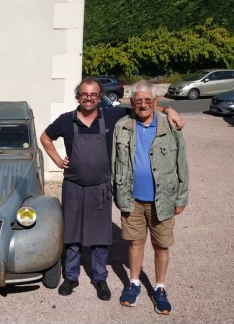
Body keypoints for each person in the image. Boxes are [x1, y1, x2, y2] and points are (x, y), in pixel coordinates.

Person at [40, 77, 184, 300]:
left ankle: (100, 278)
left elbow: (143, 107)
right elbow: (45, 138)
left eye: (94, 95)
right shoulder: (66, 120)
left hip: (101, 188)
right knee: (72, 235)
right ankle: (71, 276)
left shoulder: (112, 115)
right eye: (85, 94)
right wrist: (58, 161)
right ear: (78, 96)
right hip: (73, 187)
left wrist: (169, 109)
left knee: (100, 236)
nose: (89, 98)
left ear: (100, 98)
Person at [111, 80, 189, 314]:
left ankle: (160, 288)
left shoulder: (170, 125)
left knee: (161, 245)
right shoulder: (122, 126)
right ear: (132, 102)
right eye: (138, 101)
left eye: (148, 100)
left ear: (155, 101)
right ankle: (134, 284)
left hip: (163, 199)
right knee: (135, 242)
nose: (143, 105)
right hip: (131, 198)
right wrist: (117, 193)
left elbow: (182, 164)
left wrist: (181, 197)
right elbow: (114, 162)